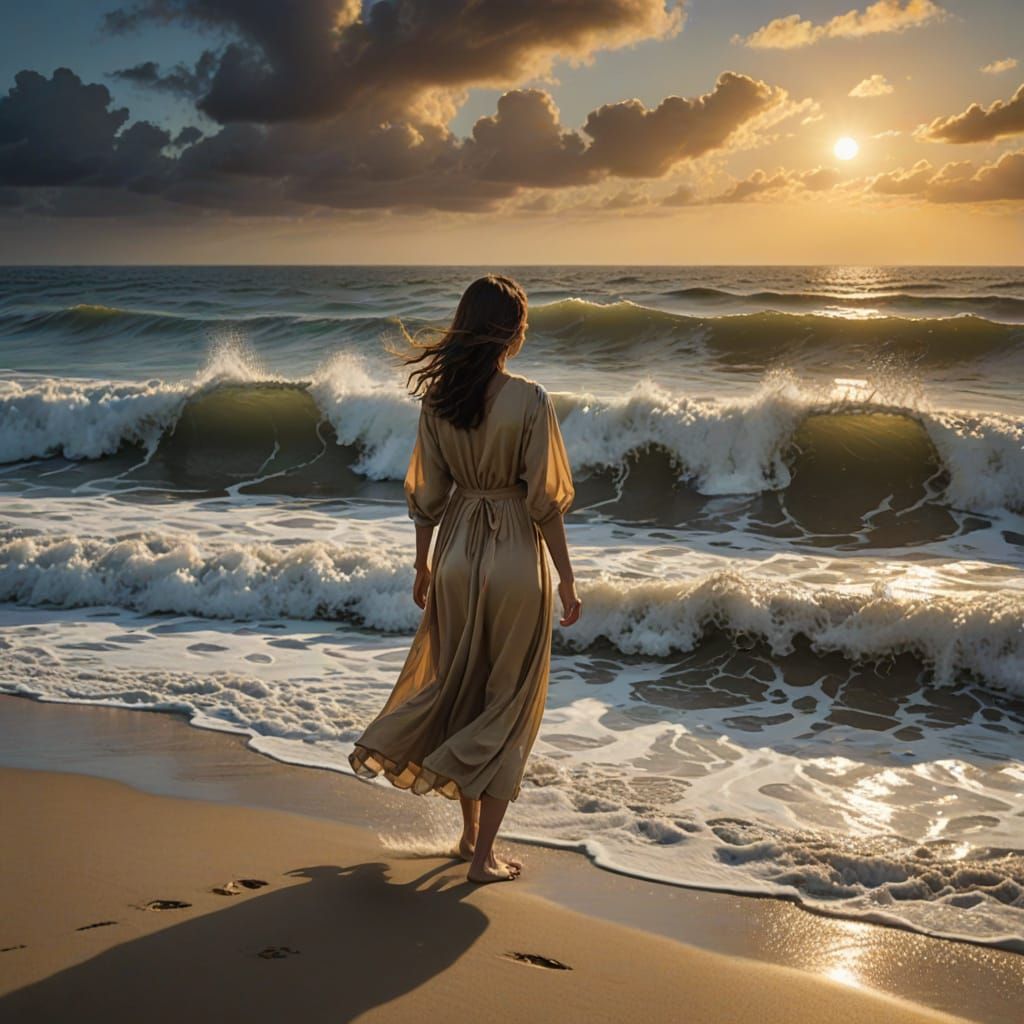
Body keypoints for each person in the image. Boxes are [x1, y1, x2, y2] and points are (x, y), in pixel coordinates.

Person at [349, 274, 581, 884]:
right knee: (507, 704)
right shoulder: (530, 399)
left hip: (454, 552)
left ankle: (468, 836)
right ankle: (482, 860)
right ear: (513, 331)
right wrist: (567, 579)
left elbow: (426, 492)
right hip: (512, 561)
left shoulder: (438, 401)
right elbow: (544, 502)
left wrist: (423, 563)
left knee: (464, 688)